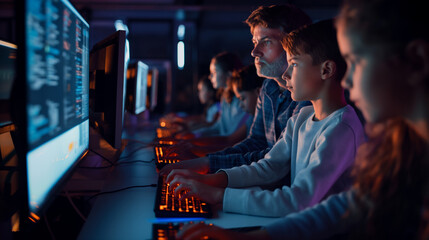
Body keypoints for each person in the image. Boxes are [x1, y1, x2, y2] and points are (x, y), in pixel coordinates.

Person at [175, 0, 429, 238]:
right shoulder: (399, 147)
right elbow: (347, 206)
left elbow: (301, 200)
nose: (347, 79)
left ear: (417, 61)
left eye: (356, 62)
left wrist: (218, 192)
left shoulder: (342, 126)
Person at [167, 19, 365, 218]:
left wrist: (219, 195)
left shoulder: (341, 129)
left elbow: (297, 201)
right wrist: (210, 180)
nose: (286, 73)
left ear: (326, 70)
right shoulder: (303, 117)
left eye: (294, 64)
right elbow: (269, 166)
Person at [159, 4, 312, 176]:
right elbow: (255, 142)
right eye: (255, 42)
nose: (255, 52)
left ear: (296, 44)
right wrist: (205, 161)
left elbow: (278, 161)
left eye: (266, 42)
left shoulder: (308, 95)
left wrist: (207, 164)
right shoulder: (268, 87)